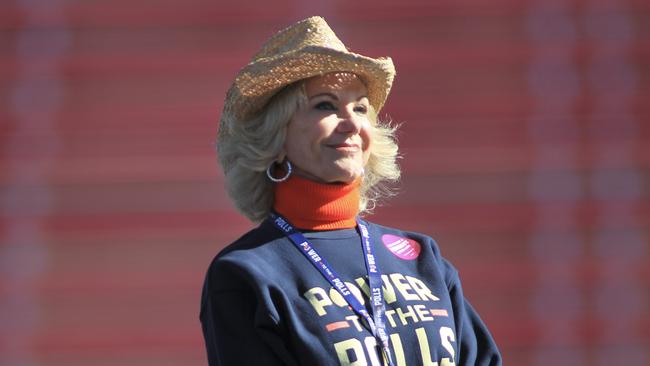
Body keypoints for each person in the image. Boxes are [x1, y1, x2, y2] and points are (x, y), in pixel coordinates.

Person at [201, 16, 501, 366]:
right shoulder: (245, 273)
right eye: (325, 105)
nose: (352, 123)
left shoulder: (423, 258)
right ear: (276, 137)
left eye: (360, 107)